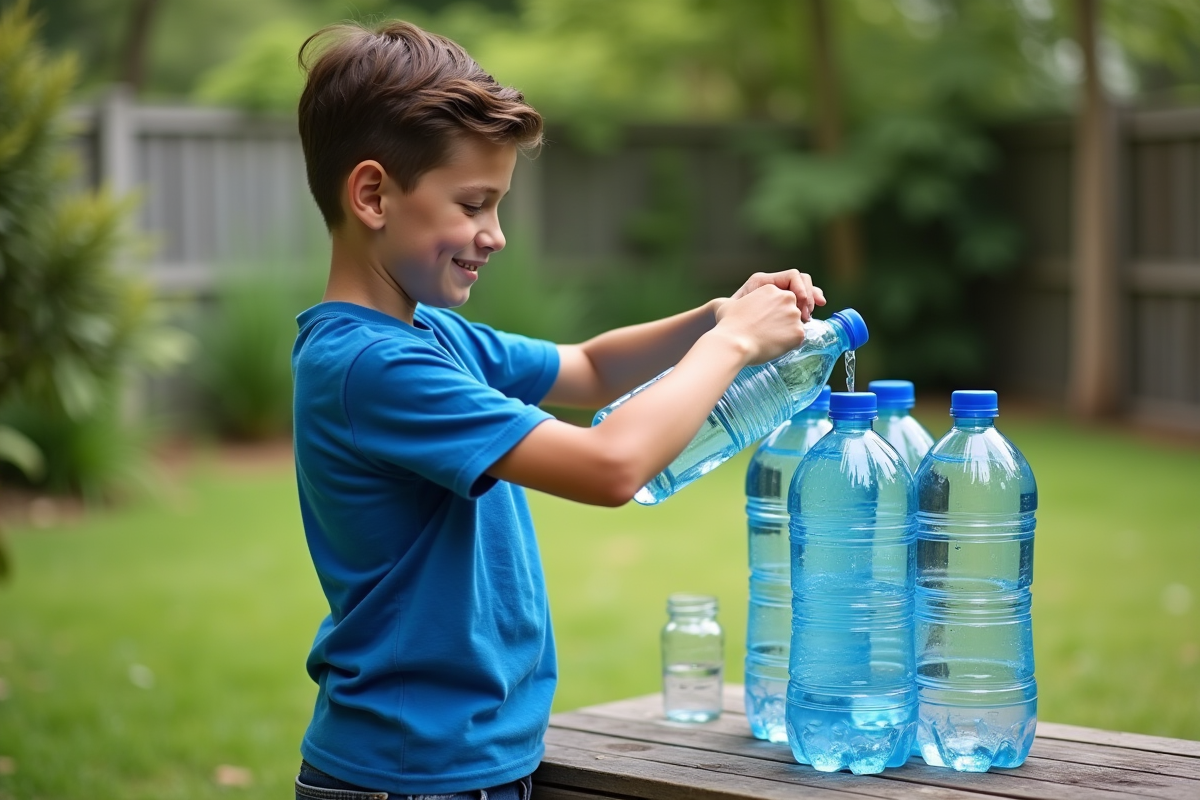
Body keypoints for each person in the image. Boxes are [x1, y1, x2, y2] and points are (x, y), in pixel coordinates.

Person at [290, 19, 826, 800]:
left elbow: (591, 367)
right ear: (373, 194)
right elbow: (611, 466)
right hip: (408, 776)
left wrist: (716, 317)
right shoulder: (372, 365)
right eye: (474, 204)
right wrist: (734, 349)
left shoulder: (429, 334)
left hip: (468, 764)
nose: (495, 235)